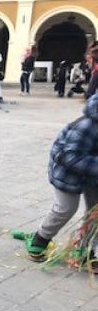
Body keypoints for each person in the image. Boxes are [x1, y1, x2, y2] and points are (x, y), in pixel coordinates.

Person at [23, 94, 98, 271]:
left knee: (95, 213)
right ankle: (40, 239)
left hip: (92, 174)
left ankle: (86, 252)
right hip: (67, 172)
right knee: (66, 208)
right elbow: (68, 156)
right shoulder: (86, 125)